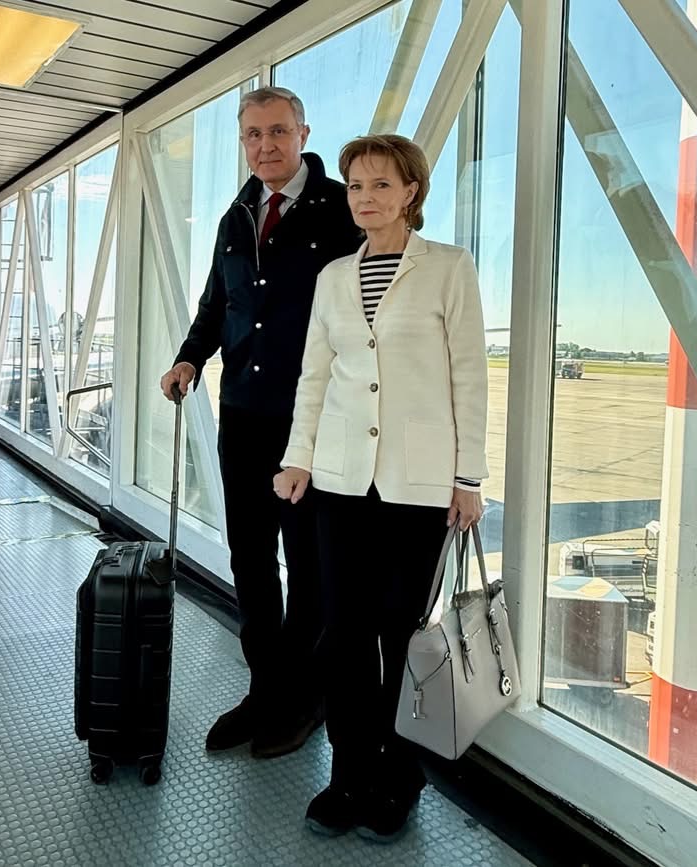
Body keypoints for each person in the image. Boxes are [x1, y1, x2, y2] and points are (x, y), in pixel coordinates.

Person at [273, 134, 488, 842]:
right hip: (340, 480)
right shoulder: (335, 276)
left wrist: (468, 477)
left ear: (411, 192)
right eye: (357, 186)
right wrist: (298, 458)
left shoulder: (448, 268)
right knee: (343, 632)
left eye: (381, 185)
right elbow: (315, 374)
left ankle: (400, 775)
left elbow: (470, 376)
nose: (365, 197)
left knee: (400, 631)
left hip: (417, 485)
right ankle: (348, 772)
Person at [158, 87, 360, 758]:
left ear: (303, 133)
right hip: (243, 414)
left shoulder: (341, 210)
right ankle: (265, 687)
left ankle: (305, 697)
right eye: (253, 134)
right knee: (249, 556)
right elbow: (217, 305)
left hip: (311, 419)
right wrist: (189, 358)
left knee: (307, 563)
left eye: (277, 131)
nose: (265, 144)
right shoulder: (236, 215)